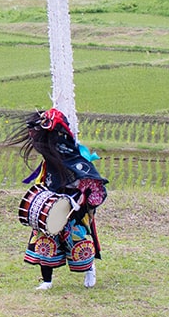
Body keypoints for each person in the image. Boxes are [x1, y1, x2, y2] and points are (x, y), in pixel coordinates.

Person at [7, 108, 108, 290]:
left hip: (74, 203)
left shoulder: (72, 154)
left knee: (76, 238)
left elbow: (91, 183)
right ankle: (47, 280)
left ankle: (89, 268)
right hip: (53, 198)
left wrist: (77, 200)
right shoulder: (50, 154)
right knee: (46, 238)